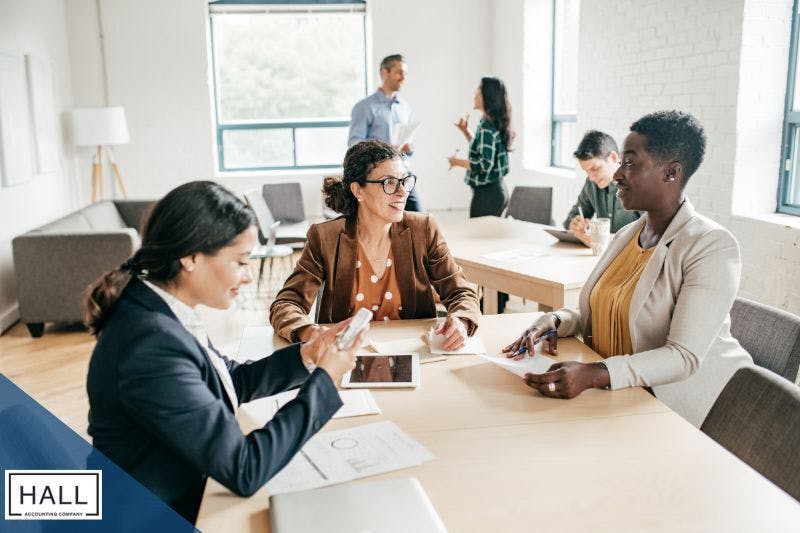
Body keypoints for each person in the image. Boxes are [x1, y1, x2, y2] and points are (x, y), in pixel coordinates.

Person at [84, 181, 366, 524]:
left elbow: (225, 379)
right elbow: (244, 469)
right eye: (241, 261)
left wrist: (308, 355)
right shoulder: (151, 344)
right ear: (191, 257)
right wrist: (325, 381)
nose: (247, 277)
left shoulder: (162, 308)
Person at [503, 110, 752, 428]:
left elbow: (683, 356)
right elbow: (604, 314)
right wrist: (554, 320)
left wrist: (595, 373)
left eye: (630, 164)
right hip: (622, 398)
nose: (618, 174)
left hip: (684, 413)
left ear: (671, 173)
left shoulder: (710, 245)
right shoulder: (626, 235)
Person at [270, 140, 480, 350]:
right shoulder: (326, 238)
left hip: (415, 355)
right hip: (347, 357)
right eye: (388, 182)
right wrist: (311, 332)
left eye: (404, 181)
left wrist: (461, 320)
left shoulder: (423, 229)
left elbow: (461, 292)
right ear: (357, 190)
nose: (402, 192)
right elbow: (286, 304)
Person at [348, 54, 421, 212]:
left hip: (403, 174)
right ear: (384, 73)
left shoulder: (405, 107)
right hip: (378, 179)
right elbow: (354, 144)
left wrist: (409, 148)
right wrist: (385, 149)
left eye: (405, 74)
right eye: (399, 72)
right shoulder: (364, 107)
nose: (403, 78)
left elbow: (409, 144)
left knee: (417, 218)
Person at [447, 76, 513, 218]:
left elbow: (483, 165)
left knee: (478, 239)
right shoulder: (491, 122)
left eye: (477, 92)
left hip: (487, 195)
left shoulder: (486, 127)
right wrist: (466, 132)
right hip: (497, 191)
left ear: (487, 97)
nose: (474, 96)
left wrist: (456, 162)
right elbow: (482, 150)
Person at [563, 130, 641, 246]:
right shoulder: (591, 184)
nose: (591, 177)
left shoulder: (641, 185)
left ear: (614, 158)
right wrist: (575, 224)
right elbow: (570, 218)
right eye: (586, 171)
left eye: (595, 168)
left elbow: (653, 234)